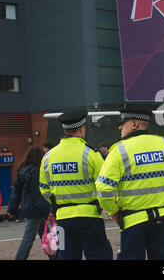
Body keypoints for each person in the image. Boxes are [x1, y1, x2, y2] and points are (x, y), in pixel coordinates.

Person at [96, 108, 164, 260]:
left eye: (122, 123)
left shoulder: (119, 150)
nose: (119, 127)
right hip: (161, 218)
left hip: (133, 221)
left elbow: (103, 187)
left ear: (134, 124)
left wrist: (114, 213)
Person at [39, 109, 113, 260]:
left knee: (66, 257)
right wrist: (105, 207)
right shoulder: (91, 154)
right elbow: (103, 185)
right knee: (99, 255)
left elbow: (44, 189)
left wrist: (56, 203)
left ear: (64, 129)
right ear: (81, 128)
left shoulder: (48, 157)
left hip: (63, 218)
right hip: (90, 216)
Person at [7, 146, 53, 260]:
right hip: (36, 209)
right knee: (29, 238)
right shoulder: (36, 172)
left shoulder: (22, 171)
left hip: (28, 208)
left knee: (46, 234)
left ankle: (54, 256)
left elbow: (15, 194)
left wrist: (11, 210)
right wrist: (47, 210)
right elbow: (38, 194)